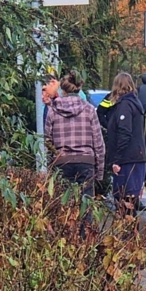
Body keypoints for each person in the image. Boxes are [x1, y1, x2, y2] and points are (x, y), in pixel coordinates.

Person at [44, 70, 105, 198]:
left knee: (64, 205)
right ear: (79, 88)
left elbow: (47, 141)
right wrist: (99, 173)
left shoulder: (53, 110)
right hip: (86, 162)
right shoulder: (89, 109)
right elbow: (98, 143)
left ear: (63, 90)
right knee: (85, 205)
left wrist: (50, 166)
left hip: (62, 162)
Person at [104, 72, 146, 216]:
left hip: (127, 160)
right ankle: (130, 235)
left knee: (123, 200)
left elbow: (124, 133)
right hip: (137, 158)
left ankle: (126, 235)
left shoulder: (124, 106)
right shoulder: (136, 104)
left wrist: (116, 160)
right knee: (130, 201)